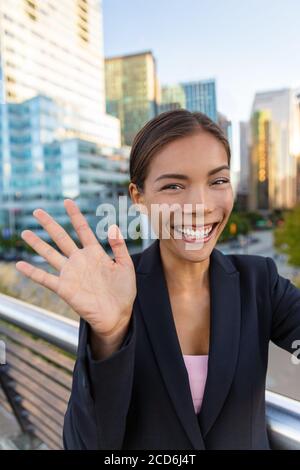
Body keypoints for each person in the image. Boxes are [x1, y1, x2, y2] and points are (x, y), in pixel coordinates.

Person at [15, 109, 300, 450]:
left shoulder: (259, 281)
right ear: (139, 198)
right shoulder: (115, 287)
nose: (200, 205)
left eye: (218, 181)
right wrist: (110, 336)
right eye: (174, 186)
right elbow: (85, 444)